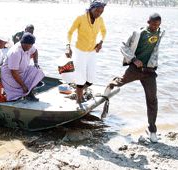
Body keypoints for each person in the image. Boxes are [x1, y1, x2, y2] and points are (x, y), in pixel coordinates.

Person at [106, 13, 164, 143]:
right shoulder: (139, 33)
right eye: (154, 24)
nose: (156, 27)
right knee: (119, 82)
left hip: (149, 72)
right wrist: (133, 59)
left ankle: (153, 131)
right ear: (148, 22)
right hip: (135, 69)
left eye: (158, 24)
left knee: (152, 100)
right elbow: (123, 46)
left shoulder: (161, 32)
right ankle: (109, 86)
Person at [66, 0, 107, 103]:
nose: (99, 14)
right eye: (97, 11)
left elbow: (104, 31)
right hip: (80, 51)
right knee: (80, 78)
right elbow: (70, 32)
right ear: (91, 8)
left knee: (91, 79)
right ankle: (79, 99)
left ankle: (77, 91)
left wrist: (101, 42)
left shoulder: (100, 19)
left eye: (101, 12)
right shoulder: (81, 18)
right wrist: (68, 46)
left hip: (92, 51)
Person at [1, 33, 44, 101]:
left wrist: (36, 63)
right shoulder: (15, 52)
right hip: (10, 76)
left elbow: (35, 51)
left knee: (38, 71)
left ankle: (29, 94)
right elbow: (14, 72)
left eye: (31, 46)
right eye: (28, 46)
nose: (29, 48)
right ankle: (24, 93)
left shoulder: (29, 46)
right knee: (19, 91)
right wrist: (23, 86)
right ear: (23, 43)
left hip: (21, 71)